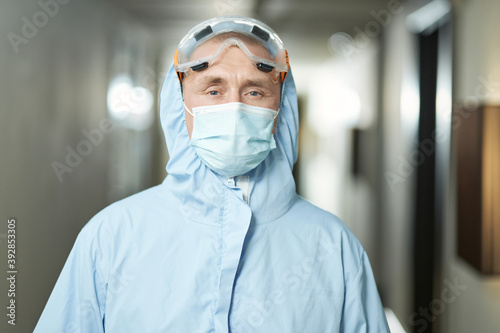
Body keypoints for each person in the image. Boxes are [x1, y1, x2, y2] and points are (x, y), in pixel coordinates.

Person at [35, 16, 390, 332]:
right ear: (180, 105)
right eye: (213, 89)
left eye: (254, 91)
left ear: (280, 109)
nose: (233, 107)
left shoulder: (334, 247)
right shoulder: (111, 237)